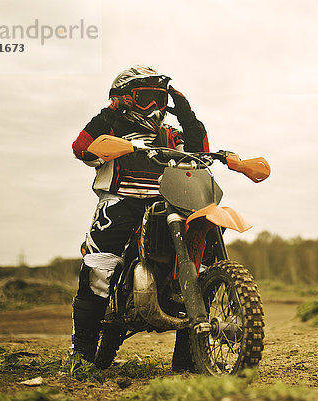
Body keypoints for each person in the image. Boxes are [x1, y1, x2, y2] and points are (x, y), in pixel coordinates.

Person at [70, 65, 209, 371]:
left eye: (159, 99)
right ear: (125, 99)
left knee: (196, 270)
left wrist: (186, 114)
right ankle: (81, 358)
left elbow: (199, 154)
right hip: (120, 203)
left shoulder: (170, 135)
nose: (153, 107)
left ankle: (187, 362)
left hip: (167, 204)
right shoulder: (111, 129)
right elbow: (82, 149)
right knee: (98, 270)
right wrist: (109, 112)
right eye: (144, 98)